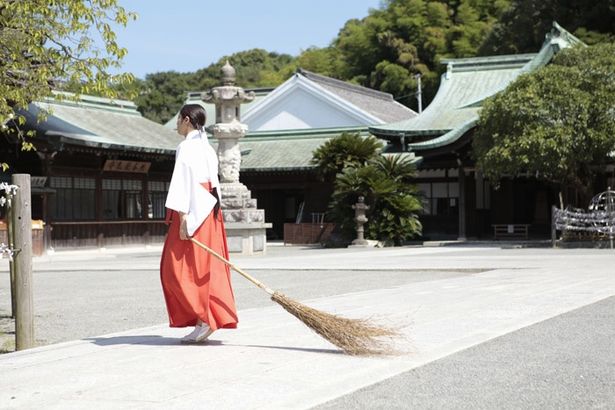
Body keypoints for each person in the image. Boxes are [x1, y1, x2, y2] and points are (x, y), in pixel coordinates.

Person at [160, 104, 238, 343]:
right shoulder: (207, 147)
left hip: (194, 209)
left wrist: (183, 217)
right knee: (205, 267)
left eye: (177, 120)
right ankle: (204, 319)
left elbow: (183, 182)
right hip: (210, 210)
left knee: (175, 268)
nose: (176, 124)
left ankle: (204, 319)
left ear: (186, 120)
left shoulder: (186, 147)